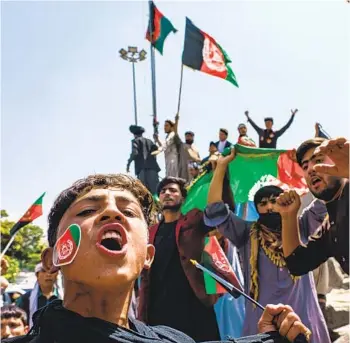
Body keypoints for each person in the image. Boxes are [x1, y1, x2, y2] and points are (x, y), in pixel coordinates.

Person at [4, 173, 311, 343]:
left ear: (147, 255)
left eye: (128, 212)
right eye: (87, 211)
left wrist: (276, 339)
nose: (112, 213)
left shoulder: (176, 341)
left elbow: (218, 208)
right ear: (54, 255)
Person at [203, 148, 329, 343]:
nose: (269, 206)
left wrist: (318, 163)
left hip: (304, 316)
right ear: (257, 208)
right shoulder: (245, 233)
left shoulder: (301, 225)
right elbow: (215, 211)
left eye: (274, 201)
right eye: (263, 203)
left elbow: (325, 198)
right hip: (262, 321)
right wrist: (221, 167)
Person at [138, 176, 243, 342]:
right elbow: (144, 276)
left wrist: (221, 174)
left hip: (194, 306)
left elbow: (221, 211)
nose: (167, 193)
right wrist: (141, 314)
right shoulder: (149, 232)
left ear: (183, 198)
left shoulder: (194, 219)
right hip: (158, 311)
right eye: (163, 191)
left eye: (173, 190)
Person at [280, 137, 349, 275]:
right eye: (305, 166)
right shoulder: (329, 226)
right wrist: (288, 216)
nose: (311, 169)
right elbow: (298, 263)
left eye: (318, 160)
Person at [16, 263, 60, 327]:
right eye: (44, 271)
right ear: (37, 275)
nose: (48, 274)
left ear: (57, 274)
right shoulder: (26, 298)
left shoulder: (64, 297)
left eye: (52, 271)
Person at [126, 125, 160, 194]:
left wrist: (128, 164)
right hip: (153, 169)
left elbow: (134, 153)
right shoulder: (149, 141)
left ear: (134, 134)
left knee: (144, 192)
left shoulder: (135, 141)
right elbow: (156, 150)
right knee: (156, 192)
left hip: (142, 170)